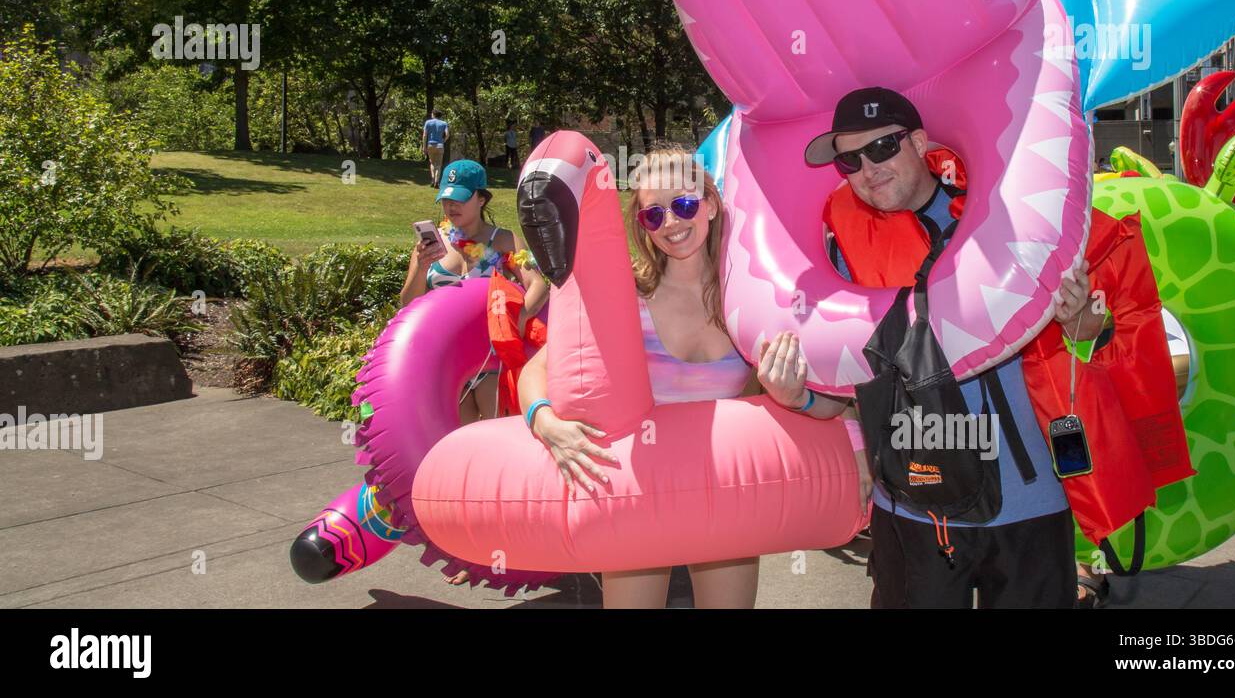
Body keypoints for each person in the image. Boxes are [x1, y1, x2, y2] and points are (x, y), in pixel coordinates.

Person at [787, 87, 1108, 609]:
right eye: (850, 159)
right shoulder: (841, 248)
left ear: (918, 141)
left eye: (883, 148)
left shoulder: (997, 215)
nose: (867, 169)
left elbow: (1099, 325)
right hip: (915, 504)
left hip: (1028, 499)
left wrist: (1082, 322)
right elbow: (847, 379)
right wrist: (797, 396)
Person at [517, 144, 871, 608]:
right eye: (653, 215)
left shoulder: (750, 300)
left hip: (723, 489)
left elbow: (827, 400)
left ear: (710, 202)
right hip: (638, 490)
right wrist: (546, 423)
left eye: (684, 204)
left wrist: (804, 405)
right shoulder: (628, 296)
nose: (672, 224)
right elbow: (536, 370)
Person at [400, 158, 548, 426]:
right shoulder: (430, 245)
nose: (450, 206)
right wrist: (420, 269)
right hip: (444, 361)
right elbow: (407, 305)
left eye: (460, 198)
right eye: (446, 199)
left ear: (481, 199)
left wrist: (516, 322)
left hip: (488, 359)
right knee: (452, 443)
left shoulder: (503, 241)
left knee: (495, 438)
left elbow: (537, 285)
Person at [422, 110, 449, 186]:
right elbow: (447, 134)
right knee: (439, 164)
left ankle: (433, 179)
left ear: (433, 114)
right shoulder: (444, 123)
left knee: (432, 163)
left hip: (430, 144)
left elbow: (424, 135)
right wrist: (443, 140)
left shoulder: (428, 122)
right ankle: (437, 181)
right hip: (440, 145)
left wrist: (424, 146)